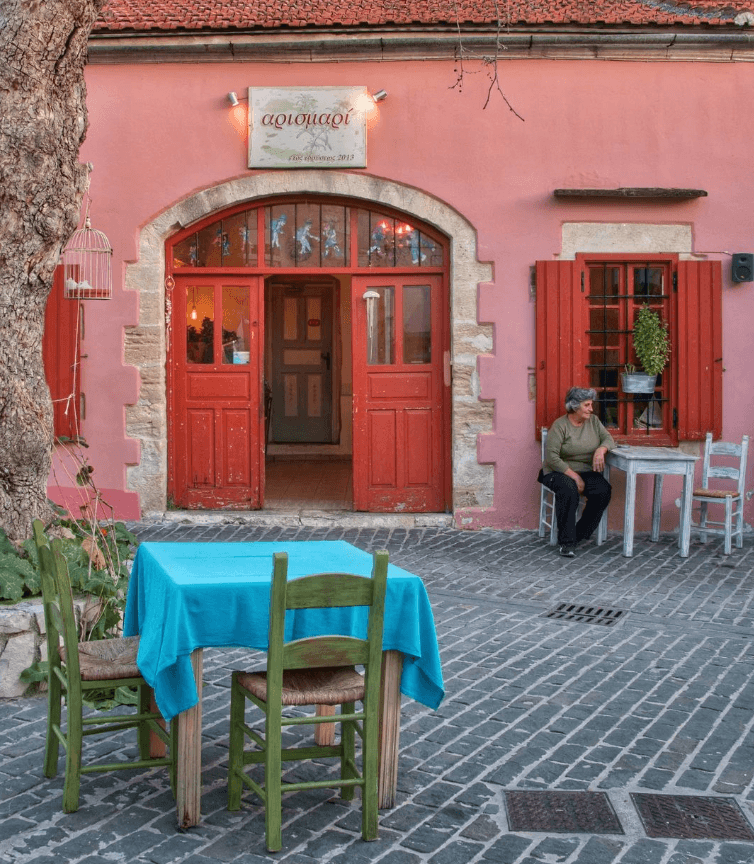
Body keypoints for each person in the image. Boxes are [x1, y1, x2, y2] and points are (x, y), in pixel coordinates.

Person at [538, 387, 615, 557]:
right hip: (557, 471)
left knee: (603, 491)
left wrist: (601, 449)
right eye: (587, 405)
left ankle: (578, 534)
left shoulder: (594, 421)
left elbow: (608, 439)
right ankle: (566, 543)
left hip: (585, 470)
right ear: (574, 406)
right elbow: (551, 457)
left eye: (591, 405)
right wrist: (575, 477)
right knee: (569, 489)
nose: (591, 409)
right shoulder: (560, 426)